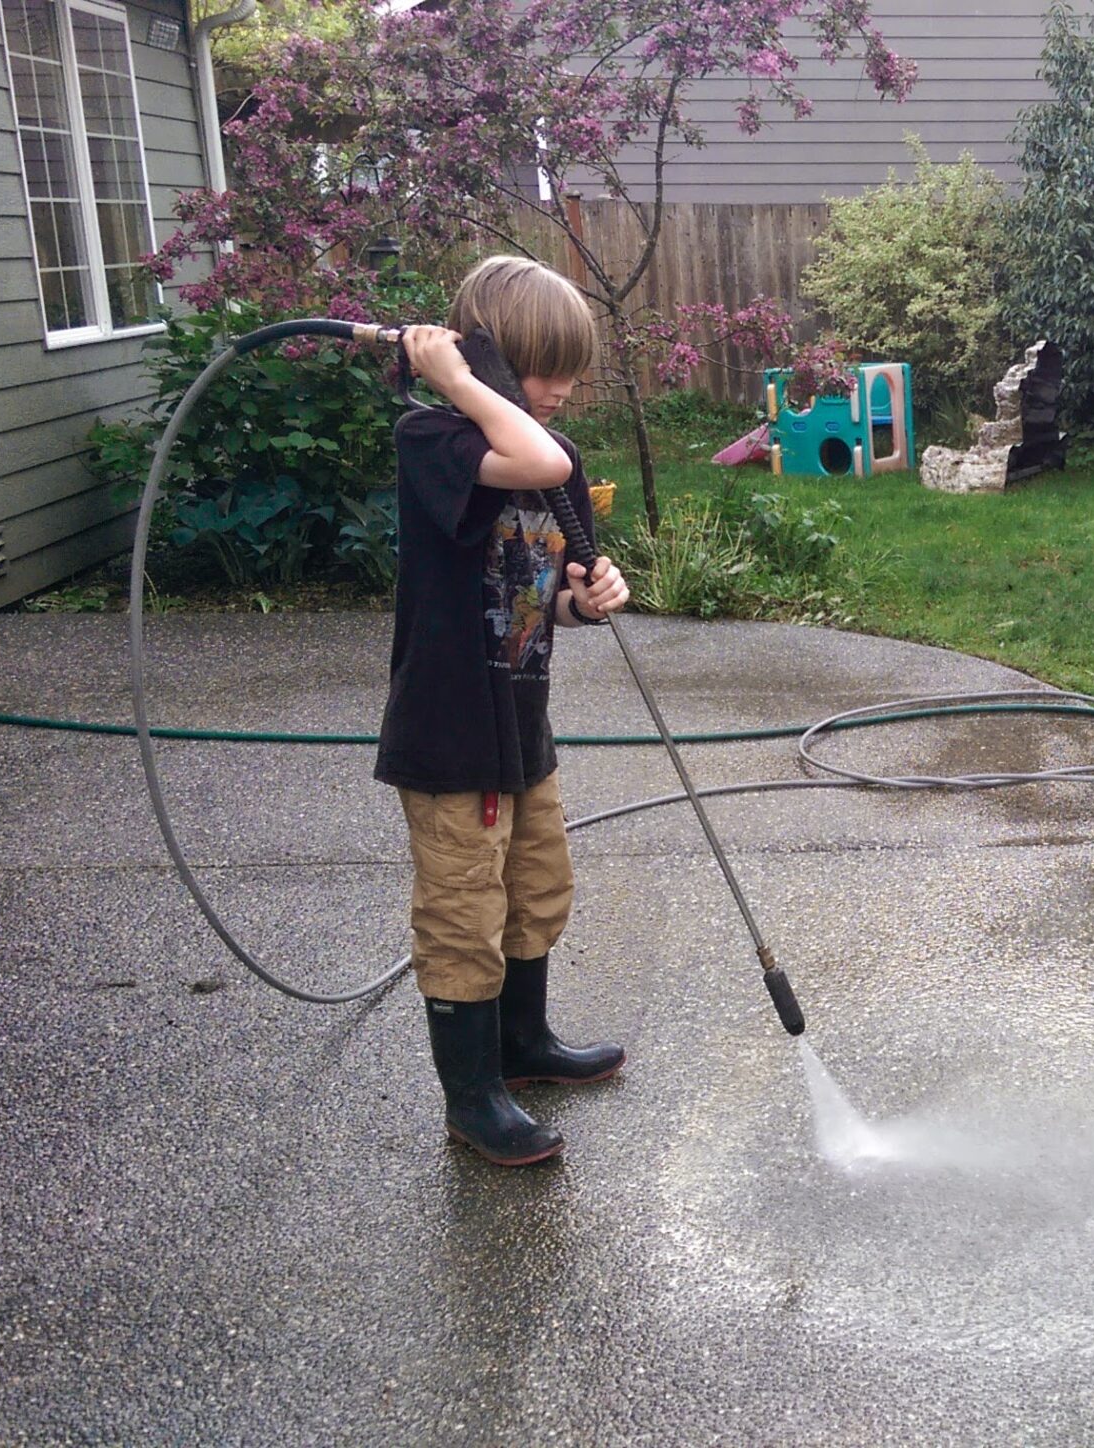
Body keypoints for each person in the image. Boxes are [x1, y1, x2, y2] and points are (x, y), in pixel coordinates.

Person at [377, 255, 630, 1167]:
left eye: (570, 370)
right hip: (449, 736)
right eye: (539, 370)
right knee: (462, 913)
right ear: (479, 362)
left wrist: (590, 595)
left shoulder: (547, 456)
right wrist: (448, 379)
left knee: (536, 890)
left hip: (522, 726)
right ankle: (471, 1097)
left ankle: (523, 1045)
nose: (560, 391)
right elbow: (534, 455)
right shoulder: (435, 438)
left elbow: (546, 590)